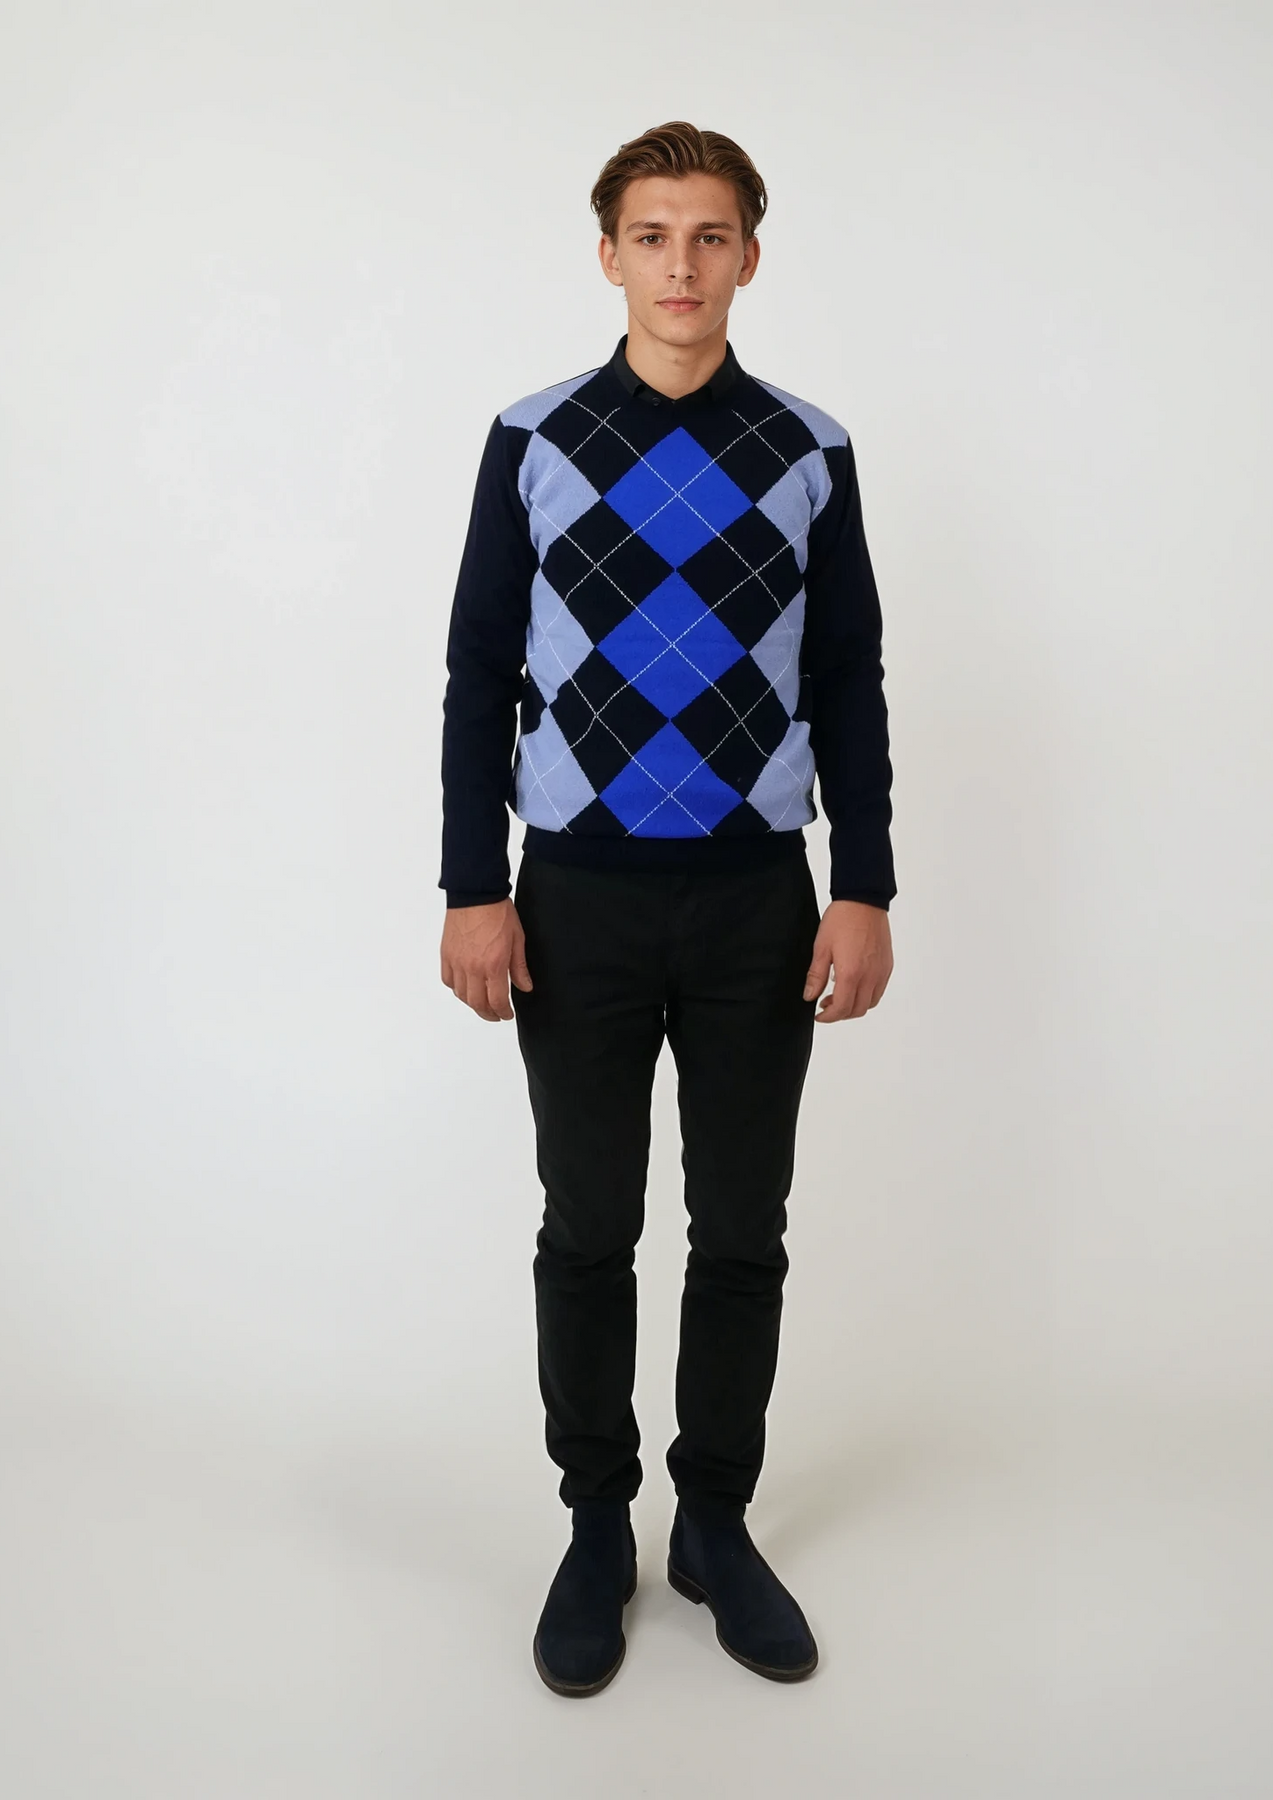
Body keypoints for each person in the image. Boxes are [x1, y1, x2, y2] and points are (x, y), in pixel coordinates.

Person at [438, 120, 896, 1696]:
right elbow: (477, 672)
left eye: (709, 236)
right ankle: (594, 1525)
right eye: (651, 234)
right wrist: (473, 887)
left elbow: (847, 676)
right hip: (573, 898)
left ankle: (712, 1521)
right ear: (608, 254)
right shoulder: (534, 439)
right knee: (588, 1227)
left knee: (742, 1230)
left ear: (748, 255)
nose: (680, 265)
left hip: (757, 900)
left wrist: (863, 885)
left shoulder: (809, 450)